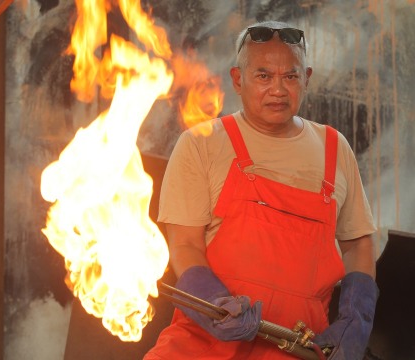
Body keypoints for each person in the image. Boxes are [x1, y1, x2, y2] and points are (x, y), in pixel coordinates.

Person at [144, 20, 378, 360]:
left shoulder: (334, 148)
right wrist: (214, 304)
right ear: (238, 80)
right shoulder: (201, 144)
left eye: (291, 76)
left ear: (307, 79)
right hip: (204, 345)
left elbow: (358, 242)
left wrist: (356, 319)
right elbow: (184, 243)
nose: (278, 90)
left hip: (298, 349)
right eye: (264, 76)